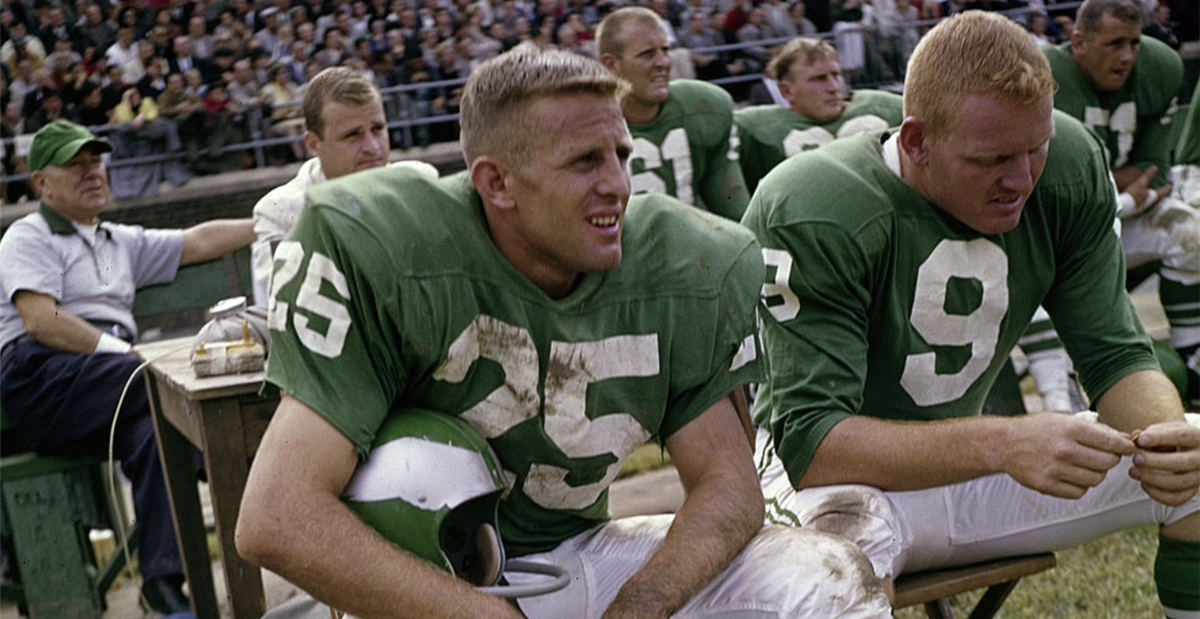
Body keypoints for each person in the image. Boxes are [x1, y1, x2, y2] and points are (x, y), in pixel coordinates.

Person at [235, 48, 892, 619]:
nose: (617, 184)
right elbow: (277, 515)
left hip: (578, 554)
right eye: (584, 161)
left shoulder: (682, 263)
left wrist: (641, 603)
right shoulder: (385, 252)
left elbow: (728, 483)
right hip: (428, 584)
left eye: (620, 153)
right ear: (496, 181)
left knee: (825, 576)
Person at [742, 10, 1200, 616]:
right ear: (916, 141)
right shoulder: (816, 204)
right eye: (990, 161)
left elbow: (1113, 351)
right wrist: (1004, 442)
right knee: (831, 562)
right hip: (828, 487)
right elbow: (810, 443)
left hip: (965, 471)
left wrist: (1169, 448)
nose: (1021, 178)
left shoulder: (1068, 164)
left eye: (1035, 149)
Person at [0, 120, 255, 616]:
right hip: (44, 378)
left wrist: (269, 220)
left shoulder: (119, 241)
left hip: (110, 387)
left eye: (96, 161)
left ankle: (163, 586)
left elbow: (197, 240)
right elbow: (41, 320)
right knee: (165, 384)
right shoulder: (26, 237)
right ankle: (237, 471)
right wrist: (128, 356)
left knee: (156, 436)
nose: (92, 172)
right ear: (41, 183)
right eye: (75, 165)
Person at [1039, 0, 1200, 404]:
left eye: (1134, 42)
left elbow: (1156, 173)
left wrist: (1108, 188)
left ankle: (1192, 356)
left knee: (1188, 231)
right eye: (1114, 44)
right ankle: (1064, 400)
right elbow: (1057, 195)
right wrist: (1124, 191)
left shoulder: (1158, 68)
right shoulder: (1046, 75)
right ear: (1078, 42)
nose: (1127, 55)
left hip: (1114, 218)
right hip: (1058, 238)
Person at [249, 67, 438, 308]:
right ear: (313, 144)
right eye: (352, 135)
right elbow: (283, 311)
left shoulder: (419, 181)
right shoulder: (281, 211)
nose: (372, 147)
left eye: (378, 129)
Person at [596, 7, 750, 222]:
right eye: (647, 54)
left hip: (693, 247)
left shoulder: (703, 107)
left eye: (665, 50)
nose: (663, 62)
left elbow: (734, 208)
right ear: (611, 64)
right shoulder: (582, 126)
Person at [733, 37, 903, 194]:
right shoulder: (755, 127)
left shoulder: (884, 106)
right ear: (786, 90)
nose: (834, 87)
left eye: (836, 75)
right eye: (819, 79)